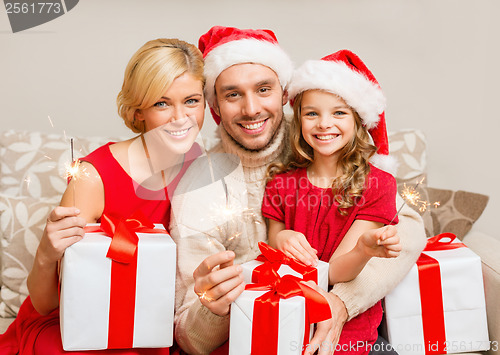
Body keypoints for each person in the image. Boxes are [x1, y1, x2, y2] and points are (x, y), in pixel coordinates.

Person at [170, 26, 426, 355]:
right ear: (215, 105)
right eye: (233, 94)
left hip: (345, 330)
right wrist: (213, 306)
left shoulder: (322, 139)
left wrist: (342, 302)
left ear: (283, 93)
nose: (251, 109)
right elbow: (191, 339)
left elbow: (408, 226)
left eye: (263, 89)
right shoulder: (199, 188)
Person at [0, 38, 205, 355]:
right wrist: (44, 253)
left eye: (191, 101)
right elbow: (44, 305)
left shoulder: (198, 164)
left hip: (145, 323)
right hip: (73, 325)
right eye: (162, 104)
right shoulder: (94, 178)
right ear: (139, 112)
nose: (181, 118)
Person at [262, 49, 402, 354]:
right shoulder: (281, 183)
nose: (324, 123)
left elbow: (335, 272)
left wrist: (365, 250)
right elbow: (273, 243)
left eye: (339, 113)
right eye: (312, 113)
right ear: (299, 121)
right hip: (286, 315)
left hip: (347, 329)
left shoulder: (377, 185)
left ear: (358, 121)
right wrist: (283, 236)